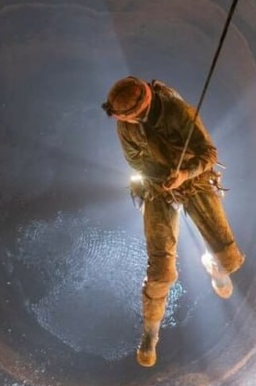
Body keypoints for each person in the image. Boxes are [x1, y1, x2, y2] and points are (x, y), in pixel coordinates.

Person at [102, 76, 245, 368]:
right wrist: (161, 177)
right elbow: (134, 161)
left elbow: (209, 153)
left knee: (229, 259)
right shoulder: (125, 126)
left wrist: (184, 173)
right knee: (161, 273)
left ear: (141, 109)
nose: (125, 122)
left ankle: (216, 269)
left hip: (193, 180)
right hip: (157, 187)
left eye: (128, 117)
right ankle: (150, 333)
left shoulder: (180, 113)